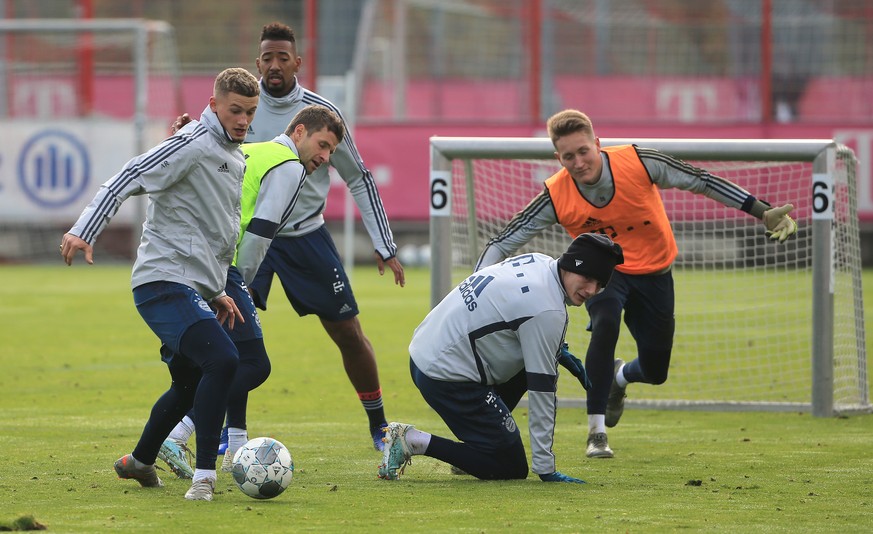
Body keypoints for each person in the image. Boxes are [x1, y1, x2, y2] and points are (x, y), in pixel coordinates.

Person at [474, 109, 798, 459]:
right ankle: (596, 432)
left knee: (656, 370)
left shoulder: (639, 161)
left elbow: (700, 179)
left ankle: (620, 377)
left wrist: (762, 211)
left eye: (584, 151)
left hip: (656, 271)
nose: (579, 162)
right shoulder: (556, 194)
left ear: (597, 144)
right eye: (568, 156)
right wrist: (475, 291)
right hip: (603, 274)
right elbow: (502, 242)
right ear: (558, 158)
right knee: (605, 323)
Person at [173, 21, 404, 452]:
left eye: (283, 58)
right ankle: (233, 432)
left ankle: (379, 426)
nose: (274, 65)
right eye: (267, 58)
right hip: (249, 235)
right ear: (258, 61)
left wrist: (383, 243)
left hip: (305, 236)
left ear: (298, 62)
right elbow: (209, 149)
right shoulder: (243, 104)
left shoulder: (320, 113)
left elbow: (359, 177)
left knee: (348, 333)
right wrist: (190, 129)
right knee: (232, 329)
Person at [59, 67, 260, 501]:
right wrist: (84, 228)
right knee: (224, 360)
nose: (243, 120)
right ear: (213, 106)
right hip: (161, 281)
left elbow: (205, 231)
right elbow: (130, 175)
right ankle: (204, 477)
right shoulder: (190, 143)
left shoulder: (232, 154)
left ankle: (140, 461)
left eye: (249, 111)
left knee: (188, 385)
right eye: (234, 111)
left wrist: (215, 291)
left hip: (189, 285)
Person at [157, 105, 346, 479]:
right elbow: (261, 230)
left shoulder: (256, 150)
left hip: (194, 259)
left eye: (332, 153)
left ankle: (236, 445)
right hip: (225, 267)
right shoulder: (290, 166)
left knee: (231, 355)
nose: (325, 158)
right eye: (322, 145)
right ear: (299, 133)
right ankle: (177, 433)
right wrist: (236, 282)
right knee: (255, 364)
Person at [378, 233, 624, 483]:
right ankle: (411, 440)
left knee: (538, 357)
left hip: (424, 352)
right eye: (588, 278)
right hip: (445, 375)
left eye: (600, 284)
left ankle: (481, 445)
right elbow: (543, 393)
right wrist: (545, 467)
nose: (592, 290)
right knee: (509, 467)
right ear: (573, 265)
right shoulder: (547, 310)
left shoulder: (539, 262)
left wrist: (556, 350)